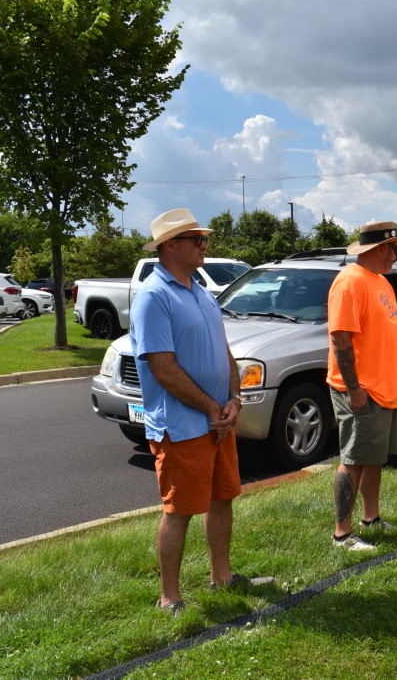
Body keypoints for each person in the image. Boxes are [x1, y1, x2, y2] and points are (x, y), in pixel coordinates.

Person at [130, 208, 270, 614]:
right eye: (197, 239)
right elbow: (163, 368)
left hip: (217, 422)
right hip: (181, 425)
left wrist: (234, 398)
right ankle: (169, 597)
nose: (204, 245)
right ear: (170, 245)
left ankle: (222, 577)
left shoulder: (202, 292)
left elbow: (224, 351)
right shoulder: (154, 296)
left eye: (204, 238)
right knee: (179, 511)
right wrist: (212, 408)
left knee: (222, 499)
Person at [327, 220, 397, 551]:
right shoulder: (350, 282)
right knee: (353, 458)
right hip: (361, 390)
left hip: (383, 390)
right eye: (392, 250)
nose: (395, 257)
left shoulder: (380, 281)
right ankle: (342, 534)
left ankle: (371, 518)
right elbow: (340, 339)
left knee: (372, 457)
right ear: (377, 248)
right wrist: (354, 389)